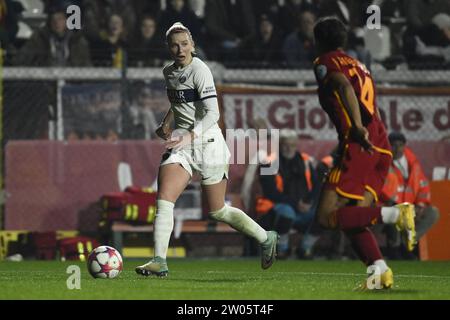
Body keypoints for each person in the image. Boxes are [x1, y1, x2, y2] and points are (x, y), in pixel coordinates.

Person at [135, 22, 279, 277]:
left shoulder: (200, 70)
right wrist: (166, 124)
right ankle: (159, 260)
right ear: (168, 48)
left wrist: (191, 135)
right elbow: (177, 102)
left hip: (208, 143)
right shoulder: (168, 72)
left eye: (184, 43)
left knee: (217, 211)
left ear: (193, 45)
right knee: (164, 200)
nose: (180, 49)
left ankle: (265, 237)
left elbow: (213, 113)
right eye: (174, 45)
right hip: (181, 145)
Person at [312, 17, 416, 290]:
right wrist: (370, 135)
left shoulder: (325, 62)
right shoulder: (361, 66)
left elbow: (343, 87)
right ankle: (379, 273)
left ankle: (395, 215)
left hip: (359, 144)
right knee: (354, 216)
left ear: (318, 41)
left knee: (326, 217)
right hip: (380, 146)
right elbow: (375, 108)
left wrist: (357, 129)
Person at [255, 129, 319, 259]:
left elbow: (317, 186)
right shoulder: (267, 163)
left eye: (292, 145)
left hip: (304, 208)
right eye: (285, 144)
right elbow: (270, 192)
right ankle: (282, 249)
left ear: (296, 145)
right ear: (279, 144)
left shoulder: (306, 161)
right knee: (287, 212)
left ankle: (305, 248)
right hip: (276, 209)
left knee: (324, 215)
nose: (289, 148)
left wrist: (308, 202)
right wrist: (296, 204)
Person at [380, 132, 440, 259]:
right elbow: (383, 192)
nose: (397, 149)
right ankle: (395, 248)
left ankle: (408, 243)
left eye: (400, 145)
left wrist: (420, 205)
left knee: (433, 212)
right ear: (388, 146)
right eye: (393, 146)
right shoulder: (383, 163)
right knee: (394, 211)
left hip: (411, 208)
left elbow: (423, 187)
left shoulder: (413, 163)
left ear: (404, 146)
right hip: (392, 207)